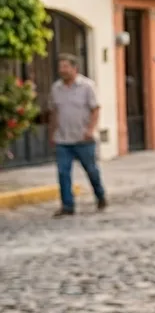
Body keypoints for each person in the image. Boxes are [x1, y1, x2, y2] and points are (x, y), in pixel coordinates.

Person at [48, 53, 108, 217]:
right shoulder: (56, 88)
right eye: (60, 67)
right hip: (63, 139)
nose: (62, 70)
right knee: (63, 172)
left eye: (66, 67)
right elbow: (54, 112)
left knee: (91, 170)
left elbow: (95, 109)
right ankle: (67, 205)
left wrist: (90, 130)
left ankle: (100, 195)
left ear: (75, 68)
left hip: (83, 139)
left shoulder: (87, 86)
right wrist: (52, 133)